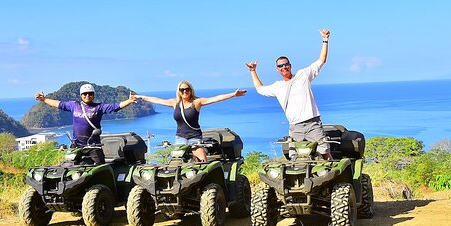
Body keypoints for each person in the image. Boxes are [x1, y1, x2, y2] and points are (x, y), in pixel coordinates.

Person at [245, 29, 332, 159]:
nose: (284, 67)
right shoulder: (277, 86)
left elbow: (321, 60)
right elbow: (259, 89)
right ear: (277, 69)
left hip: (312, 123)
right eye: (281, 66)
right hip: (295, 127)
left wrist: (325, 40)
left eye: (286, 64)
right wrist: (253, 71)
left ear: (290, 65)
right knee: (294, 158)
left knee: (324, 152)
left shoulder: (303, 75)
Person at [135, 82, 247, 162]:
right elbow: (157, 100)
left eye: (187, 89)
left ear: (191, 90)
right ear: (179, 91)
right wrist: (141, 97)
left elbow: (216, 98)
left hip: (195, 138)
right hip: (180, 138)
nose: (184, 91)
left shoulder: (197, 102)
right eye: (182, 90)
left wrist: (233, 94)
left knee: (202, 164)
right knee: (178, 164)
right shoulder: (175, 103)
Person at [35, 83, 137, 164]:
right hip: (76, 145)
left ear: (93, 95)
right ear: (81, 95)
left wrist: (129, 101)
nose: (87, 95)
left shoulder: (99, 107)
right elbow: (58, 104)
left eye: (90, 93)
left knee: (100, 169)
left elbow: (115, 106)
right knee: (68, 166)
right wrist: (44, 99)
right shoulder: (74, 105)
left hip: (93, 146)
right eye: (85, 94)